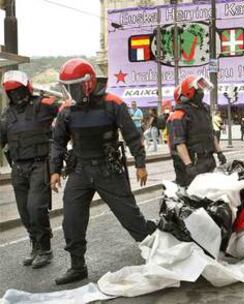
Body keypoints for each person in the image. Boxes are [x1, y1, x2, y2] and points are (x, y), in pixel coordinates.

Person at [50, 58, 156, 285]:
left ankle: (157, 253)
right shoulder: (67, 110)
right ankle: (77, 266)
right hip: (79, 170)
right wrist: (55, 170)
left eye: (74, 86)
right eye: (67, 87)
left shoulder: (113, 103)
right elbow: (58, 142)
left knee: (130, 216)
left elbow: (132, 136)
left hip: (108, 169)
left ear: (87, 84)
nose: (70, 92)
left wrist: (140, 164)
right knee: (71, 219)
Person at [0, 71, 60, 268]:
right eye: (12, 91)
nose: (15, 94)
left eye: (18, 89)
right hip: (17, 168)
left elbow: (67, 111)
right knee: (25, 212)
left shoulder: (42, 105)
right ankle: (35, 245)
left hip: (39, 165)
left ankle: (45, 249)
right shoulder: (7, 114)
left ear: (26, 88)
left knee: (36, 208)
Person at [167, 75, 227, 187]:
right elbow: (179, 142)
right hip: (193, 161)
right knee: (191, 197)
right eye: (198, 89)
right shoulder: (179, 114)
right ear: (189, 92)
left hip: (208, 159)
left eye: (201, 89)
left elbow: (211, 133)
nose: (201, 92)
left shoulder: (204, 110)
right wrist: (189, 165)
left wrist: (219, 153)